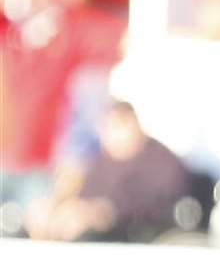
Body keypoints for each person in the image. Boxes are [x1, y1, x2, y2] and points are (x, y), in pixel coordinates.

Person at [26, 100, 191, 244]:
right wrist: (57, 206)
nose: (115, 135)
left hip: (136, 236)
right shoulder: (101, 161)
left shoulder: (160, 161)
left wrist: (99, 214)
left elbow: (153, 205)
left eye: (120, 127)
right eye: (109, 128)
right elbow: (84, 196)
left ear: (135, 126)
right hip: (90, 228)